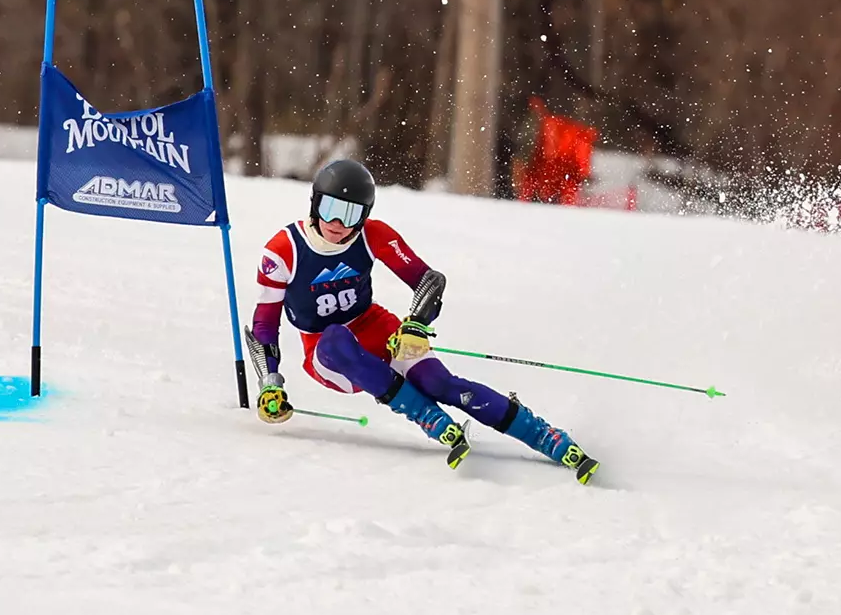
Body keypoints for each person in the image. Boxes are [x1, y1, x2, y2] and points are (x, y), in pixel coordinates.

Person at [248, 159, 600, 484]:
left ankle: (543, 435)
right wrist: (270, 382)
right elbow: (265, 323)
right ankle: (424, 414)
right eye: (330, 209)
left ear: (365, 215)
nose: (338, 224)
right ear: (314, 204)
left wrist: (415, 323)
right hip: (327, 355)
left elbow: (428, 280)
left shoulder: (373, 235)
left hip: (375, 327)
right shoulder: (283, 250)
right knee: (335, 338)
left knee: (438, 383)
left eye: (351, 214)